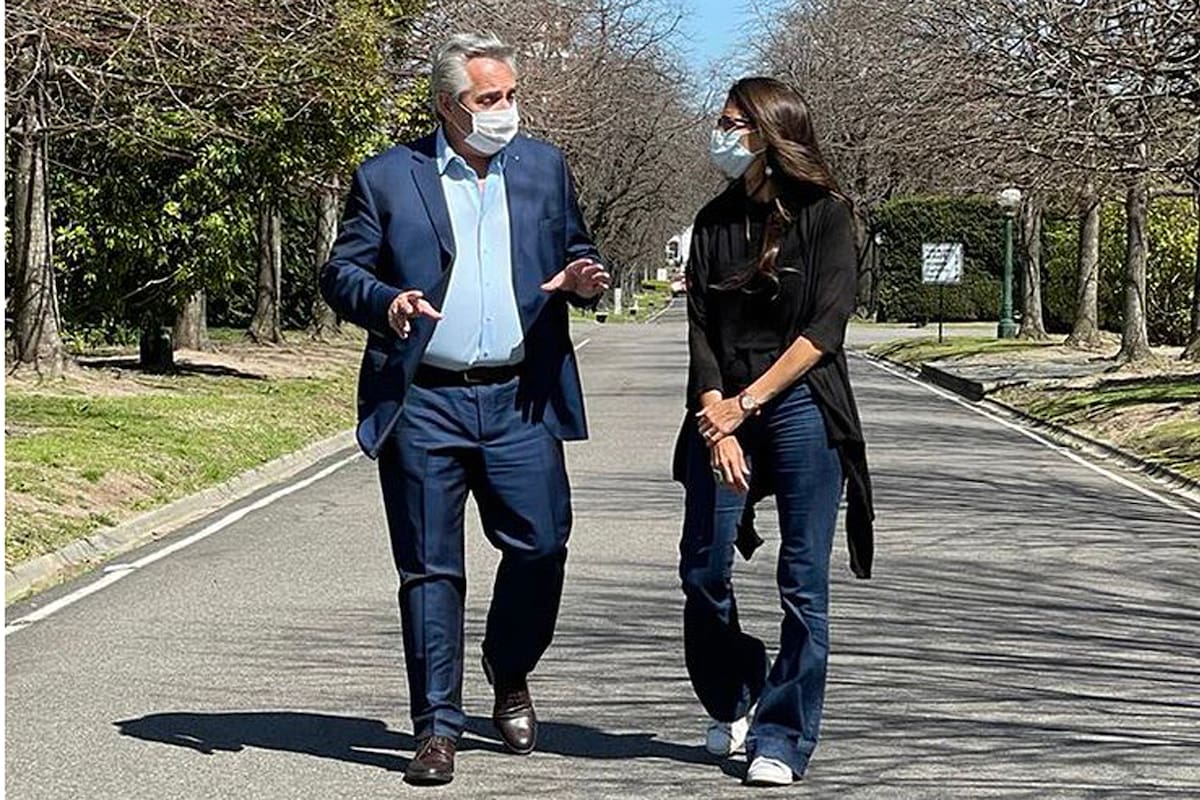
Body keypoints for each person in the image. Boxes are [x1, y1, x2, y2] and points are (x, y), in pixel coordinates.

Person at [319, 32, 609, 786]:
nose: (506, 109)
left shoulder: (543, 167)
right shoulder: (388, 177)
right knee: (429, 569)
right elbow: (341, 272)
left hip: (520, 395)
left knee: (542, 544)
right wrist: (387, 302)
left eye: (511, 95)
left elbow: (575, 247)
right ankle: (436, 729)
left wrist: (584, 276)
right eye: (490, 99)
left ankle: (508, 668)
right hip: (425, 402)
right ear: (450, 106)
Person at [672, 76, 875, 787]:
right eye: (722, 120)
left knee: (802, 580)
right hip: (722, 407)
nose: (721, 133)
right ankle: (737, 690)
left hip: (799, 403)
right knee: (703, 568)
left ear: (769, 133)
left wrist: (748, 404)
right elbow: (700, 330)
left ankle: (783, 736)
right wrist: (718, 419)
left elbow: (824, 330)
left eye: (733, 123)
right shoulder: (714, 219)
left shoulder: (826, 215)